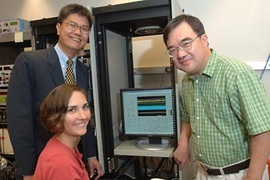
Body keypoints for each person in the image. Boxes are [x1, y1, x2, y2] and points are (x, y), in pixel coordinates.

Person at [163, 14, 270, 180]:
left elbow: (263, 131)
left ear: (204, 39)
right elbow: (187, 115)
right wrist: (183, 142)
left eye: (186, 43)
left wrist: (253, 176)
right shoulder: (187, 79)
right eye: (173, 50)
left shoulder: (236, 74)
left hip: (240, 174)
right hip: (203, 172)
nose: (180, 54)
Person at [6, 4, 103, 180]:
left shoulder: (82, 70)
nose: (78, 32)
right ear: (58, 28)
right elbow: (19, 120)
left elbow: (83, 115)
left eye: (84, 28)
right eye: (72, 25)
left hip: (73, 157)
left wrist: (90, 155)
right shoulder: (30, 62)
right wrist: (28, 170)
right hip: (42, 161)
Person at [34, 84, 91, 180]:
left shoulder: (65, 146)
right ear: (56, 116)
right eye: (72, 110)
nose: (83, 116)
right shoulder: (60, 161)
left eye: (85, 107)